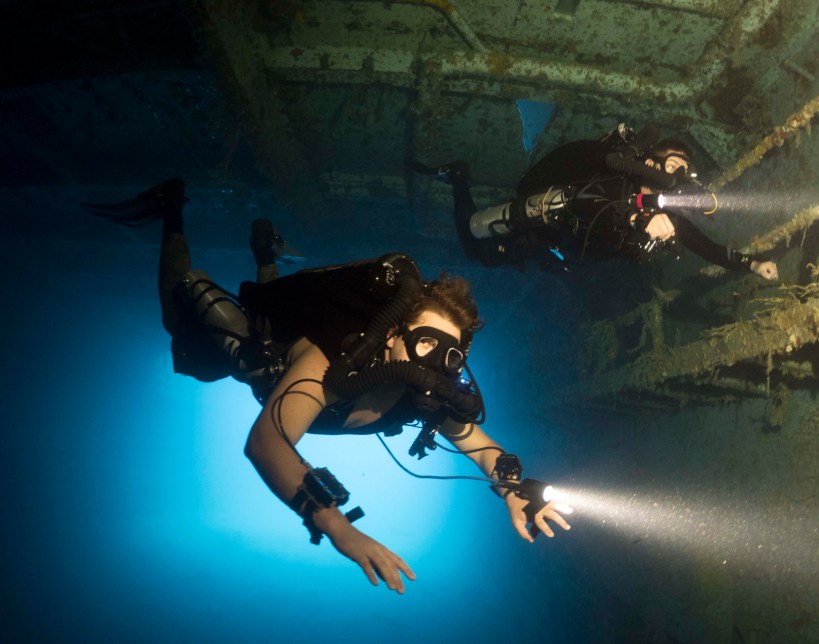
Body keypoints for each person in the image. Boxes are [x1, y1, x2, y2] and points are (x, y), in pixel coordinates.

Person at [83, 179, 571, 595]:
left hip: (285, 352)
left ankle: (265, 255)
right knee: (182, 321)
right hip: (266, 358)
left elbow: (484, 449)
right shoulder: (334, 359)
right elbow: (266, 442)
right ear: (394, 332)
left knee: (268, 310)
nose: (435, 366)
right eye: (425, 343)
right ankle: (173, 211)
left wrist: (512, 488)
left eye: (451, 355)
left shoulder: (423, 396)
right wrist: (339, 528)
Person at [414, 124, 778, 280]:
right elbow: (587, 203)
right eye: (671, 166)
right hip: (544, 225)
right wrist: (637, 221)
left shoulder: (661, 205)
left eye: (683, 173)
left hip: (560, 248)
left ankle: (461, 184)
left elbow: (705, 246)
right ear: (650, 160)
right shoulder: (614, 176)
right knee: (474, 245)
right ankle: (458, 179)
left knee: (499, 259)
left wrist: (751, 264)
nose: (674, 178)